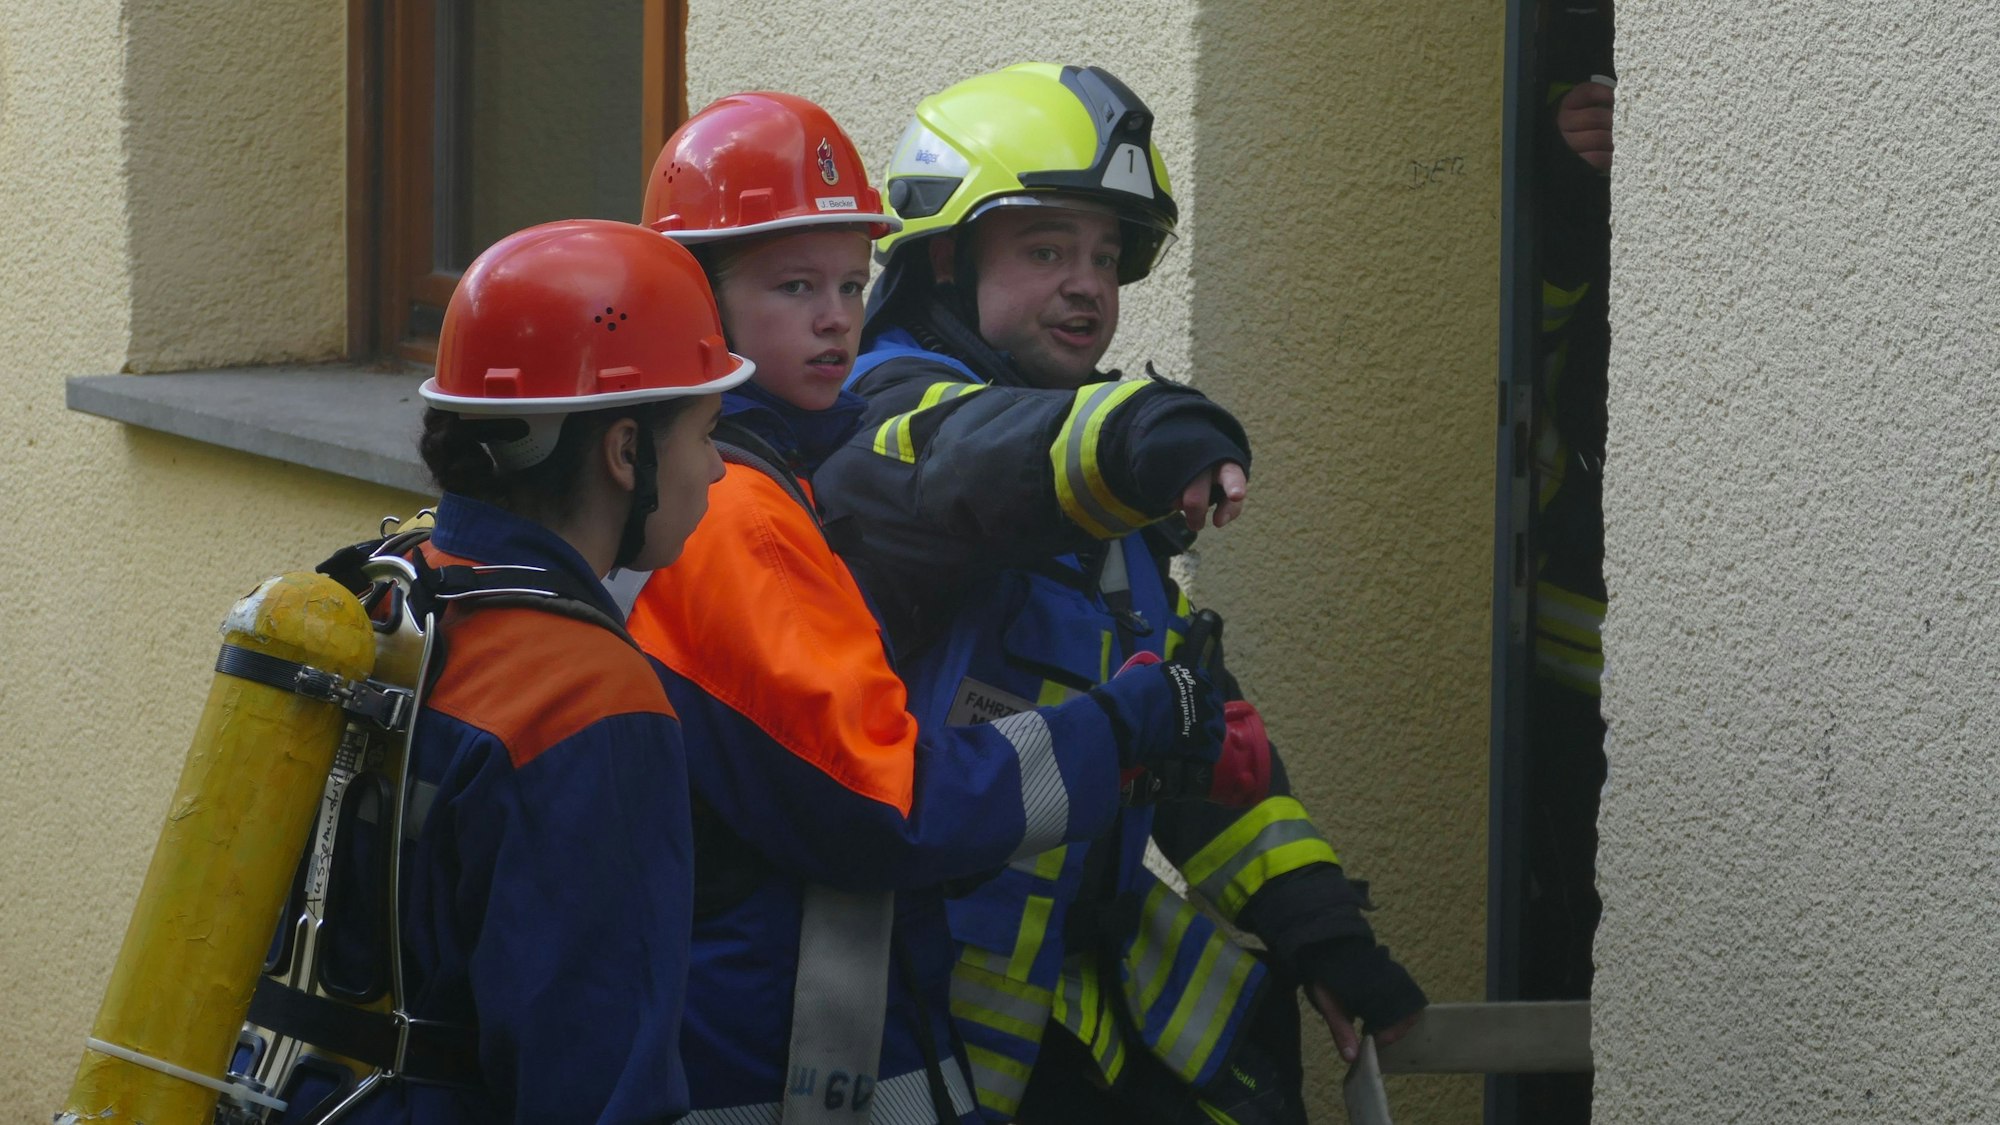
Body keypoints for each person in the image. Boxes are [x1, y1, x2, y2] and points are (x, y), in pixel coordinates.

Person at [813, 63, 1428, 1125]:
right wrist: (1141, 429)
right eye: (1046, 249)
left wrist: (1320, 932)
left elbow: (1201, 742)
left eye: (1105, 256)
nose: (1088, 286)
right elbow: (967, 460)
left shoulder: (1090, 482)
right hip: (910, 1024)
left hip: (1085, 1010)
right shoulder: (878, 424)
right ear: (946, 261)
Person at [621, 92, 1235, 1124]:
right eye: (792, 285)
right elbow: (886, 809)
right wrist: (1116, 729)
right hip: (761, 1052)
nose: (834, 317)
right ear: (695, 301)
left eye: (851, 282)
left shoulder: (781, 474)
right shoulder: (739, 512)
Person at [343, 218, 753, 1123]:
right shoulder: (587, 700)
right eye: (707, 431)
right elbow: (597, 1077)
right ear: (624, 452)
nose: (719, 468)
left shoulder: (384, 597)